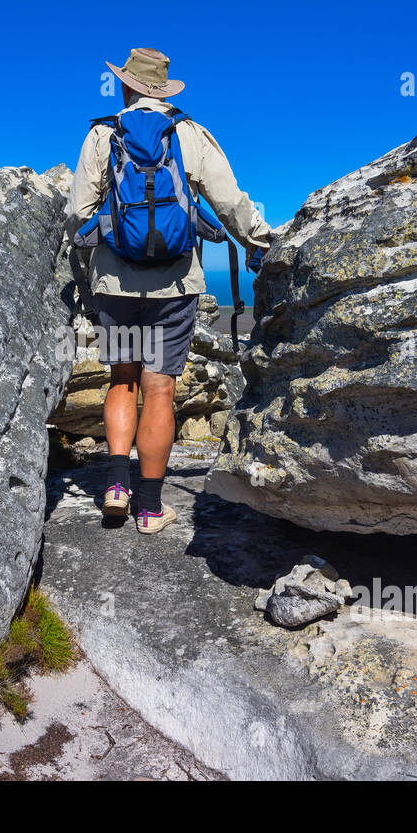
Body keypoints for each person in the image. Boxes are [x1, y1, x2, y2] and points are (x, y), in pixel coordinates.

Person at [66, 47, 272, 535]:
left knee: (122, 380)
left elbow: (78, 212)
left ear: (126, 86)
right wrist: (260, 242)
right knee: (160, 389)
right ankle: (151, 509)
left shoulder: (103, 133)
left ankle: (115, 487)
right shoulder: (188, 132)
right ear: (162, 89)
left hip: (115, 282)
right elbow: (229, 201)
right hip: (176, 284)